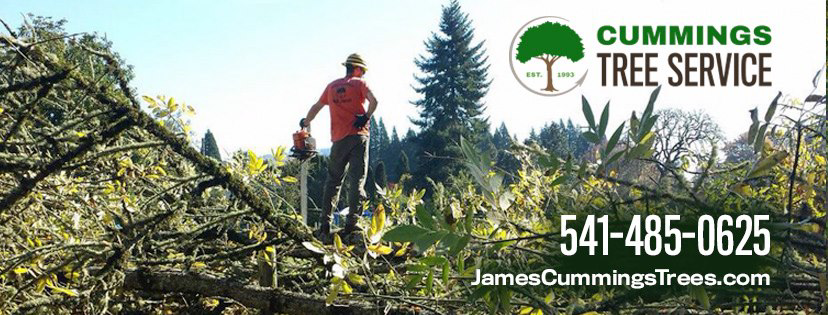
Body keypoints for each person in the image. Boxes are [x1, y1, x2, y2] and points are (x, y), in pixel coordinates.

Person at [301, 53, 378, 242]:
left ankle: (324, 225)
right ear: (358, 69)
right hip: (358, 137)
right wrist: (366, 117)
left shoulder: (332, 86)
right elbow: (374, 101)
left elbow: (317, 106)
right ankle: (352, 223)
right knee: (357, 180)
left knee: (333, 182)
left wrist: (306, 121)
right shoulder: (360, 84)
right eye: (363, 71)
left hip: (338, 140)